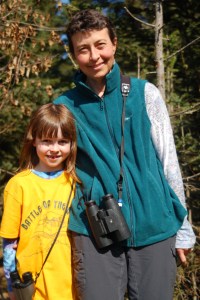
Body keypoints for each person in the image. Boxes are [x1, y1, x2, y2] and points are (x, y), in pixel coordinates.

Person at [54, 9, 196, 300]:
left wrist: (183, 227)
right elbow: (49, 168)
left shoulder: (146, 94)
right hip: (93, 229)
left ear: (114, 44)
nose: (94, 56)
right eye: (83, 49)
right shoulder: (64, 108)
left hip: (154, 222)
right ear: (73, 54)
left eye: (100, 45)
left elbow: (169, 162)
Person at [0, 103, 79, 300]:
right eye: (46, 141)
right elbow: (9, 243)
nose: (54, 149)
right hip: (32, 288)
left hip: (72, 287)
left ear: (72, 144)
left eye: (62, 141)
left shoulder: (76, 183)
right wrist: (11, 285)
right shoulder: (18, 185)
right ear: (33, 141)